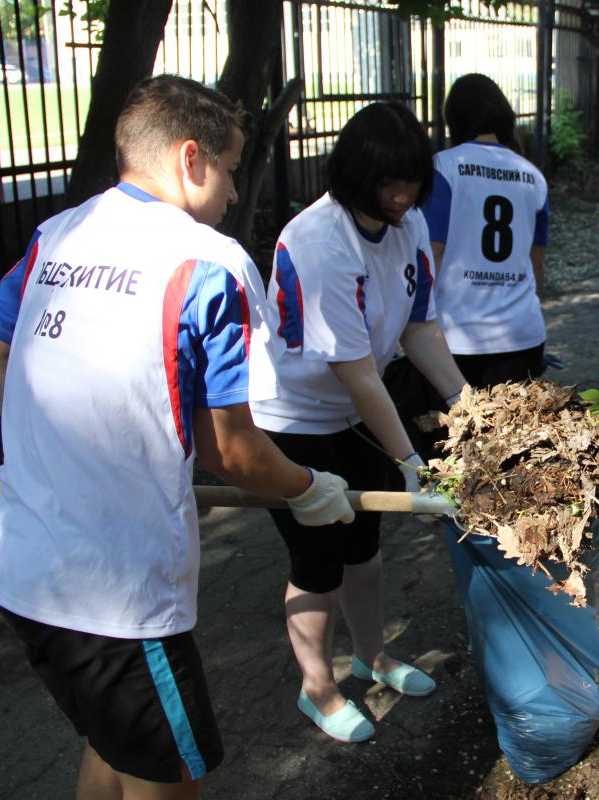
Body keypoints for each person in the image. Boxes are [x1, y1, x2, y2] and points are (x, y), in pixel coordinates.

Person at [0, 75, 354, 799]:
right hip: (114, 593)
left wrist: (44, 443)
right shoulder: (207, 262)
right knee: (171, 778)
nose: (236, 194)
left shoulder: (61, 233)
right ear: (190, 159)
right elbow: (231, 452)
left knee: (114, 750)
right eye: (232, 170)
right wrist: (309, 488)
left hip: (22, 567)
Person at [249, 101, 469, 743]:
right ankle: (317, 686)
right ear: (355, 175)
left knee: (365, 548)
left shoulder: (407, 223)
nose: (402, 194)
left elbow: (421, 328)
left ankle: (374, 657)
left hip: (352, 412)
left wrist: (473, 407)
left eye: (411, 181)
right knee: (316, 559)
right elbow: (358, 371)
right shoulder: (318, 240)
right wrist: (412, 466)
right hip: (293, 419)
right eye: (387, 182)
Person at [423, 73, 549, 387]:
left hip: (459, 341)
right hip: (524, 336)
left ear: (454, 119)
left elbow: (431, 254)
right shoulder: (533, 175)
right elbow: (537, 265)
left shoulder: (444, 167)